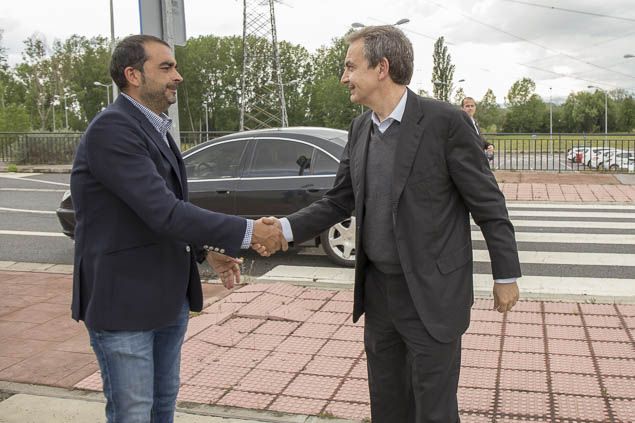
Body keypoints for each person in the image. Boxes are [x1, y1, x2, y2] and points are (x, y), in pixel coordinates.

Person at [259, 26, 521, 422]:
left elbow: (488, 204)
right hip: (379, 294)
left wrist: (505, 275)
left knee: (434, 411)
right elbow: (340, 199)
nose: (344, 77)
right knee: (387, 405)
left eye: (350, 67)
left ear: (381, 68)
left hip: (432, 295)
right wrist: (286, 228)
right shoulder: (360, 128)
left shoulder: (446, 122)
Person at [70, 34, 285, 423]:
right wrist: (249, 231)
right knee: (134, 412)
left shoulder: (152, 128)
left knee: (162, 405)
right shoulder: (112, 129)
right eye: (166, 67)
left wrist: (206, 250)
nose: (178, 76)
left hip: (166, 300)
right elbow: (164, 212)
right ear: (133, 75)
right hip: (124, 304)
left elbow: (153, 213)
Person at [461, 96, 495, 168]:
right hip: (467, 162)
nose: (470, 108)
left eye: (472, 106)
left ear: (475, 108)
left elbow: (479, 138)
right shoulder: (460, 123)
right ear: (462, 108)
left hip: (477, 160)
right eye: (467, 106)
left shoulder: (474, 122)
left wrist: (488, 145)